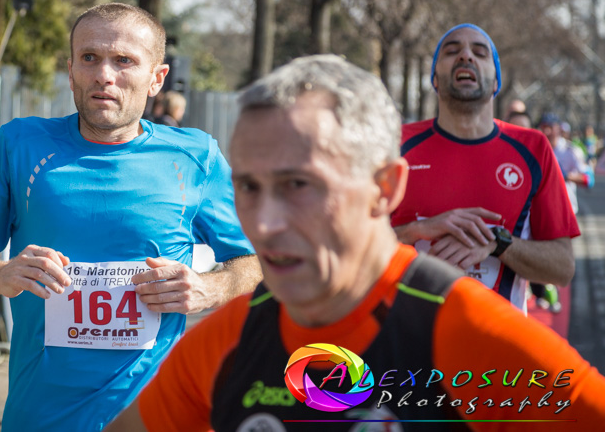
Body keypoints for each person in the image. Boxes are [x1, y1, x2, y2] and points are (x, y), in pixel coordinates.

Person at [105, 55, 605, 431]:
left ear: (385, 188)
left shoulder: (462, 331)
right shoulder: (232, 337)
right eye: (249, 187)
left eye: (299, 184)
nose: (266, 222)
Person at [0, 3, 260, 431]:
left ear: (156, 78)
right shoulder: (19, 146)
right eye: (89, 57)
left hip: (158, 416)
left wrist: (210, 287)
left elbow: (258, 263)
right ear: (71, 72)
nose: (104, 74)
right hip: (42, 419)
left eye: (124, 61)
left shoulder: (196, 156)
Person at [390, 24, 578, 312]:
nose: (465, 56)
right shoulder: (395, 144)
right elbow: (351, 247)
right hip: (409, 335)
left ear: (495, 82)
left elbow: (562, 268)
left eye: (479, 52)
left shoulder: (533, 149)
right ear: (435, 79)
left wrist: (497, 243)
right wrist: (417, 231)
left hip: (499, 337)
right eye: (451, 51)